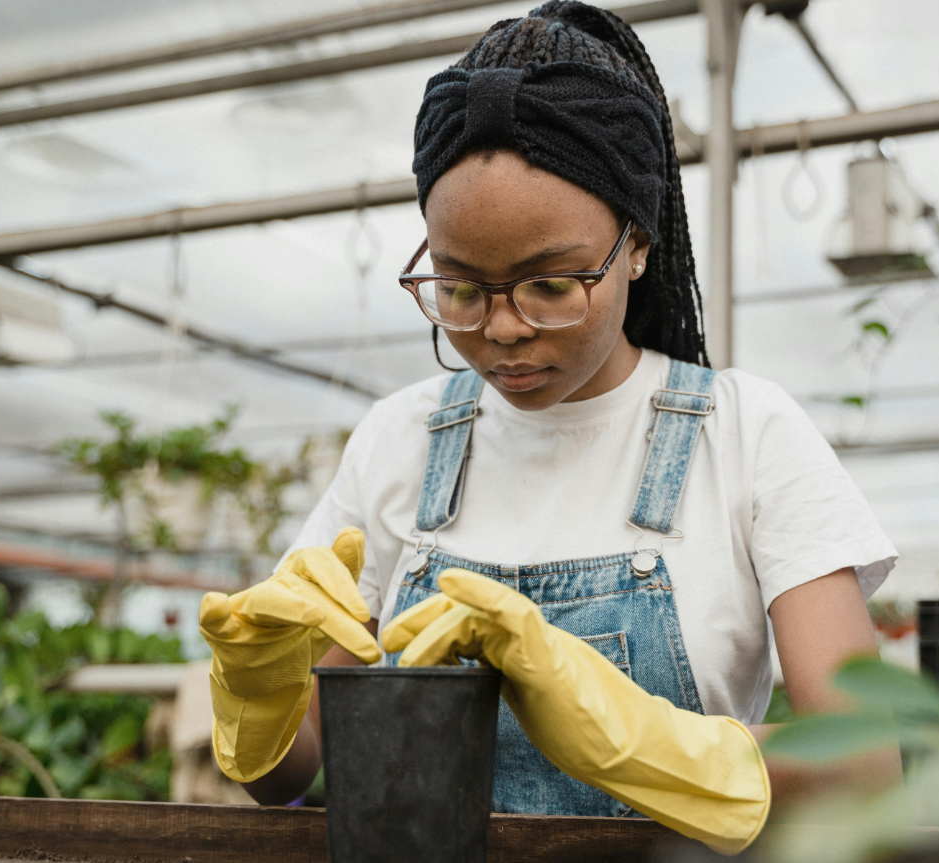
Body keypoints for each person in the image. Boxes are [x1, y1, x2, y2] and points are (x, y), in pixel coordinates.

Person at [199, 1, 899, 853]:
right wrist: (260, 691)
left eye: (550, 285)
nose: (501, 328)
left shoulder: (745, 434)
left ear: (636, 243)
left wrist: (628, 733)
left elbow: (864, 766)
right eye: (460, 288)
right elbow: (290, 777)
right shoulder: (401, 441)